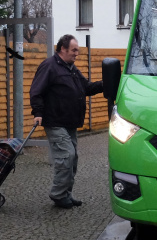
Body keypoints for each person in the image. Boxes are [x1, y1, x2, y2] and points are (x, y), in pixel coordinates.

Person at [30, 34, 103, 209]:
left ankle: (66, 194)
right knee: (66, 156)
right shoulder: (49, 66)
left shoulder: (71, 68)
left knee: (73, 158)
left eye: (77, 50)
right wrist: (38, 112)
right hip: (55, 121)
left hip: (69, 122)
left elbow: (86, 88)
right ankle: (58, 194)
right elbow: (36, 91)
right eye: (74, 50)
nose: (77, 53)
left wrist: (107, 83)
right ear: (63, 49)